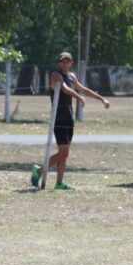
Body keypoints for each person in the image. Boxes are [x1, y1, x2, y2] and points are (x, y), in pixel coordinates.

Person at [30, 51, 110, 189]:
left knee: (64, 154)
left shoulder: (72, 76)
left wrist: (102, 99)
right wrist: (79, 98)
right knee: (64, 152)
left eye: (68, 61)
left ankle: (59, 183)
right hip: (58, 119)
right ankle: (38, 171)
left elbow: (83, 89)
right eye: (62, 61)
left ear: (71, 63)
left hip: (69, 118)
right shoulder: (56, 75)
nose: (65, 63)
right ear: (58, 63)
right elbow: (65, 88)